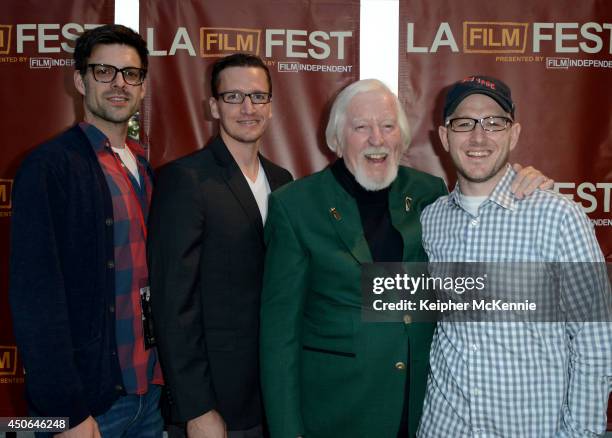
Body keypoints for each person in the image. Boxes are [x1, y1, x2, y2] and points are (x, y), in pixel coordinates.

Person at [259, 79, 550, 438]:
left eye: (387, 126)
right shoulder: (296, 206)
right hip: (337, 412)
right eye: (361, 127)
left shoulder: (428, 193)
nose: (376, 139)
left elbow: (482, 212)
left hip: (421, 410)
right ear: (335, 139)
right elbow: (278, 338)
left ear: (403, 137)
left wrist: (523, 179)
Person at [417, 75, 612, 436]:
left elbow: (596, 340)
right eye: (464, 124)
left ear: (514, 134)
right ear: (444, 137)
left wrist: (580, 432)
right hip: (444, 427)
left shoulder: (557, 217)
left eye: (494, 123)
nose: (479, 137)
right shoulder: (431, 220)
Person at [9, 24, 163, 437]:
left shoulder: (143, 167)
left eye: (130, 74)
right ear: (79, 80)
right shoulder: (50, 167)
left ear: (143, 87)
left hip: (148, 398)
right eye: (104, 72)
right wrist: (66, 413)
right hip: (87, 410)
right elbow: (35, 297)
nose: (119, 84)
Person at [147, 53, 292, 438]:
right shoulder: (186, 179)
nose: (248, 108)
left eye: (258, 97)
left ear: (271, 106)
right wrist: (196, 407)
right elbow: (172, 302)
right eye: (234, 97)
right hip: (214, 406)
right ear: (213, 106)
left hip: (271, 397)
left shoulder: (284, 181)